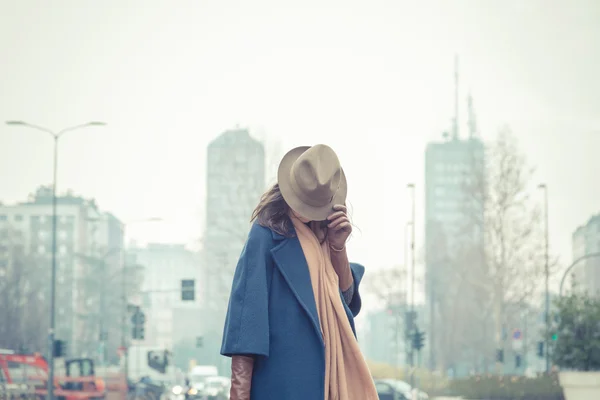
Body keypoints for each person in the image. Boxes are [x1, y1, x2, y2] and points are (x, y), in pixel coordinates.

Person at [221, 144, 379, 400]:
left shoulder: (326, 238)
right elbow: (246, 323)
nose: (304, 210)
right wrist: (239, 395)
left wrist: (338, 249)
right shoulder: (266, 236)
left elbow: (346, 304)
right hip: (280, 383)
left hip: (330, 382)